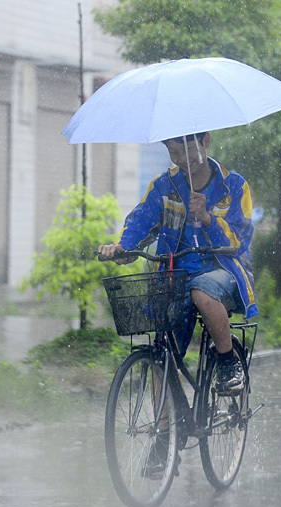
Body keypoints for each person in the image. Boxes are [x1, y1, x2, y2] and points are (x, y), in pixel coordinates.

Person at [98, 132, 257, 395]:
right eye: (174, 153)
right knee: (163, 355)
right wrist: (122, 247)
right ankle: (164, 421)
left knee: (202, 291)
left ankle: (228, 362)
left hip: (222, 271)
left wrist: (207, 218)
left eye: (188, 150)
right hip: (174, 276)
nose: (182, 159)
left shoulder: (235, 186)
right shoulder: (163, 185)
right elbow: (141, 220)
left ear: (206, 141)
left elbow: (240, 240)